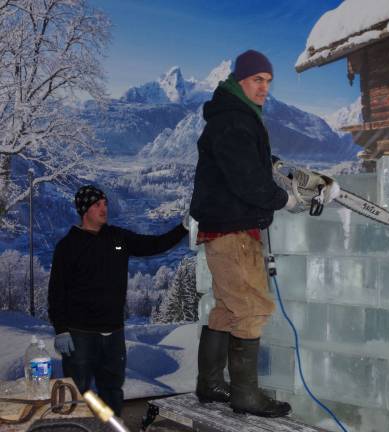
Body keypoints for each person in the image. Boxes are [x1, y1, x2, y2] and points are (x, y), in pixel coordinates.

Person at [190, 49, 337, 418]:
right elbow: (245, 181)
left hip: (223, 228)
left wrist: (272, 165)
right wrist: (283, 199)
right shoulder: (234, 120)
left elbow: (241, 163)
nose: (264, 88)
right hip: (233, 230)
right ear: (239, 80)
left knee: (228, 308)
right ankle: (246, 396)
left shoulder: (233, 116)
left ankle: (209, 384)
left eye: (268, 81)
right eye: (258, 80)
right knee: (252, 308)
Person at [48, 185, 189, 415]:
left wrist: (182, 228)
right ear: (85, 210)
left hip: (113, 332)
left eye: (105, 203)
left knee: (112, 391)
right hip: (80, 334)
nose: (104, 208)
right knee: (76, 393)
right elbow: (56, 291)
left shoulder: (118, 237)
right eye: (97, 205)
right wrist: (61, 329)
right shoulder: (68, 246)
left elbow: (154, 244)